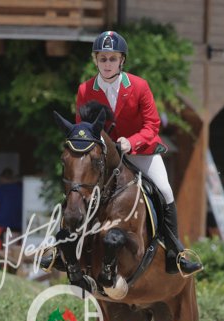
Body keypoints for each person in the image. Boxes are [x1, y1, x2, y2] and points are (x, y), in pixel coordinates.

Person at [74, 30, 201, 276]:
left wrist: (130, 143)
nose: (107, 64)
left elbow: (152, 126)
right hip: (105, 158)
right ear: (95, 60)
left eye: (113, 58)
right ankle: (63, 246)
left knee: (164, 189)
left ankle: (175, 252)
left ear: (121, 60)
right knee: (77, 186)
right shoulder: (85, 90)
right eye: (103, 58)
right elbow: (83, 130)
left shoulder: (139, 86)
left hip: (140, 152)